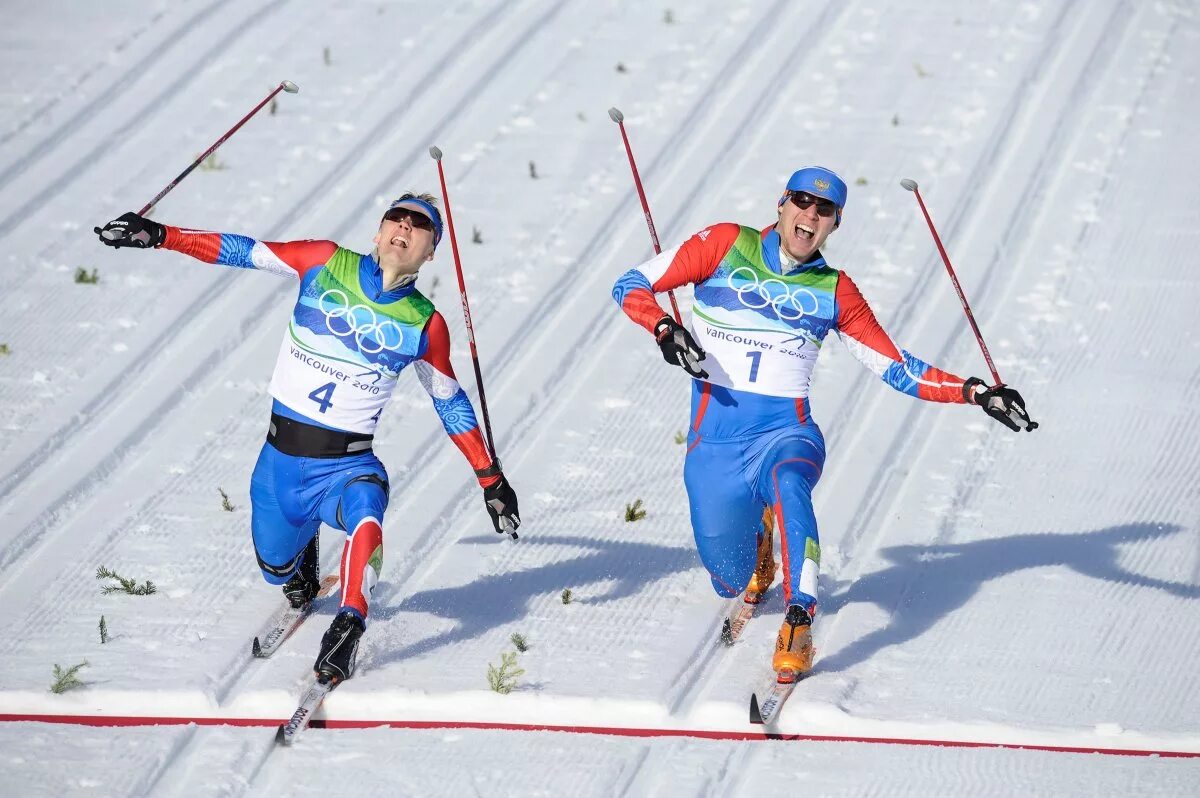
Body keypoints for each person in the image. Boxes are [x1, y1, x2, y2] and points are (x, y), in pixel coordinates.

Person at [611, 167, 1034, 680]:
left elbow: (896, 368)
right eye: (802, 201)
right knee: (728, 578)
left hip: (786, 433)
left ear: (835, 224)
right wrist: (663, 328)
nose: (810, 214)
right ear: (781, 203)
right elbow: (630, 283)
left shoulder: (835, 290)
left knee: (791, 481)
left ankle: (798, 618)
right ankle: (761, 548)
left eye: (824, 209)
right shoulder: (724, 244)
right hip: (715, 444)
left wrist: (976, 391)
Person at [96, 194, 521, 684]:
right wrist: (161, 236)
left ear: (430, 251)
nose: (403, 227)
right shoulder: (323, 261)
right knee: (276, 569)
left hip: (347, 466)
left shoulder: (425, 323)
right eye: (395, 218)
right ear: (378, 232)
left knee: (367, 507)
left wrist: (490, 478)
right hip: (279, 463)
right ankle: (298, 563)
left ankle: (349, 623)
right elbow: (243, 250)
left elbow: (449, 401)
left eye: (418, 224)